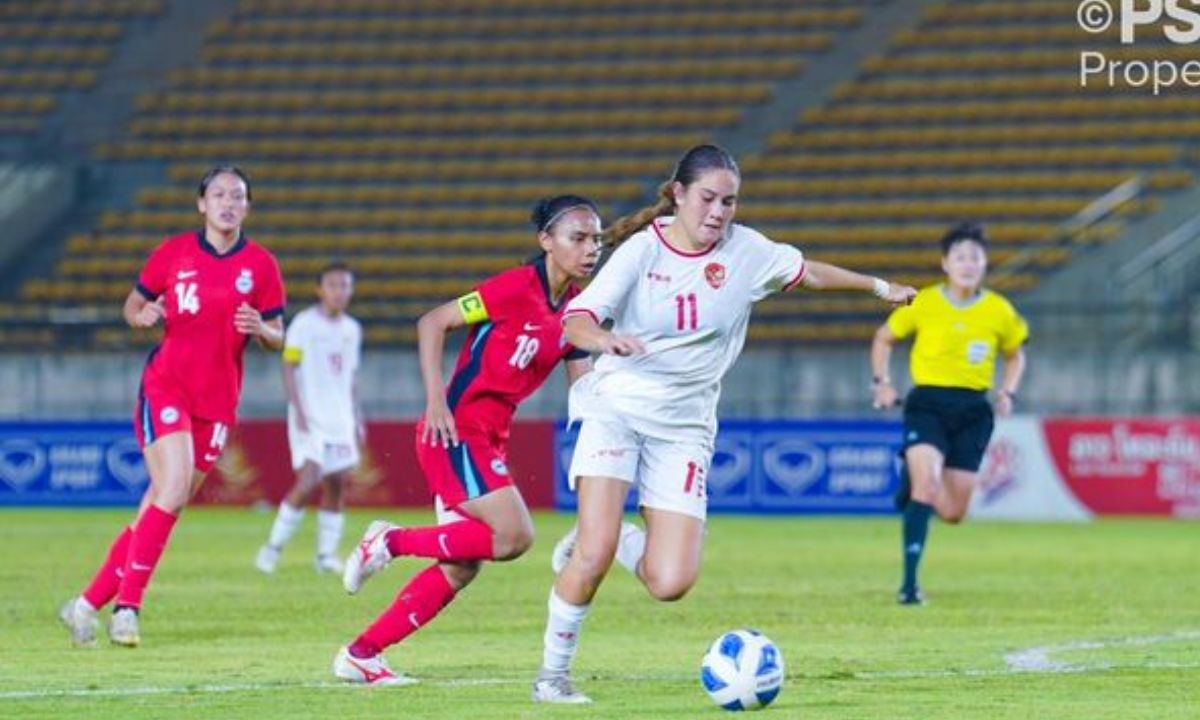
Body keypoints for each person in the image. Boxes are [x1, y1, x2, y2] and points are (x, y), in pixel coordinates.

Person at [531, 144, 917, 704]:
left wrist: (879, 288)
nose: (718, 212)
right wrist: (604, 340)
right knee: (588, 557)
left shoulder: (749, 252)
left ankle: (618, 540)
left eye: (729, 201)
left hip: (685, 428)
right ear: (680, 194)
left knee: (671, 582)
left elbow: (808, 273)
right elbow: (577, 319)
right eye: (708, 198)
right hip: (616, 408)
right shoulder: (642, 251)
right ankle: (552, 676)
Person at [330, 195, 604, 686]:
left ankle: (361, 654)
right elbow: (433, 322)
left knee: (461, 567)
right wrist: (436, 400)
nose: (590, 248)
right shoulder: (514, 288)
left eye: (596, 239)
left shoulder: (577, 314)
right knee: (515, 535)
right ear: (546, 241)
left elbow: (584, 389)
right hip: (456, 429)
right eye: (578, 237)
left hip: (489, 439)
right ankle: (389, 540)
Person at [58, 165, 286, 647]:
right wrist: (141, 315)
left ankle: (82, 605)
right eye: (219, 194)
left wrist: (263, 330)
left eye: (238, 196)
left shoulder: (261, 266)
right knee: (175, 486)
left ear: (248, 206)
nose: (228, 202)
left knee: (164, 502)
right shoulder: (173, 254)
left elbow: (278, 334)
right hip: (167, 386)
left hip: (219, 402)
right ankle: (128, 608)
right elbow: (132, 304)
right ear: (202, 204)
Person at [870, 221, 1028, 606]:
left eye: (975, 257)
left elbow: (1015, 353)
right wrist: (882, 382)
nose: (968, 263)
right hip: (927, 404)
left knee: (955, 512)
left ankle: (913, 477)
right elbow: (884, 338)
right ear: (945, 263)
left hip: (974, 409)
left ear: (985, 264)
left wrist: (1007, 391)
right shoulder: (923, 302)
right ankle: (909, 586)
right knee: (928, 487)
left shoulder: (999, 310)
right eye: (960, 256)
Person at [255, 262, 364, 575]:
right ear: (320, 289)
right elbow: (289, 367)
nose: (339, 291)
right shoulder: (303, 324)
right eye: (333, 285)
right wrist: (298, 409)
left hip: (341, 417)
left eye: (344, 285)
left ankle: (326, 555)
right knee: (309, 479)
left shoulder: (352, 329)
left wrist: (358, 419)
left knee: (337, 483)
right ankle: (272, 548)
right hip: (310, 415)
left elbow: (352, 377)